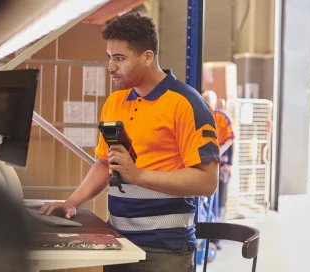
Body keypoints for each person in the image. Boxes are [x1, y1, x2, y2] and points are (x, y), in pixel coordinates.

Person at [39, 13, 220, 272]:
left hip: (163, 250)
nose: (111, 66)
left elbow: (207, 181)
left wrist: (139, 175)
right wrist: (72, 202)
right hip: (118, 243)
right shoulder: (115, 103)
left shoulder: (186, 104)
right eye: (109, 58)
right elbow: (105, 163)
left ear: (147, 57)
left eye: (119, 58)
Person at [202, 91, 235, 242]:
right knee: (206, 201)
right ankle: (207, 231)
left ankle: (218, 236)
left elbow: (231, 140)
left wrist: (228, 163)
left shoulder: (222, 118)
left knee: (220, 199)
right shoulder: (199, 117)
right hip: (206, 164)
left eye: (208, 101)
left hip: (222, 164)